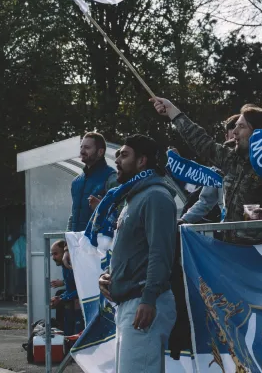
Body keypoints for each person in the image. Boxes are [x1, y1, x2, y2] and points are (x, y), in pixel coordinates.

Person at [98, 134, 177, 373]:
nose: (117, 159)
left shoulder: (155, 196)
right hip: (130, 303)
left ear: (142, 161)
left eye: (124, 154)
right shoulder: (134, 196)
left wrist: (149, 298)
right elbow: (133, 250)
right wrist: (110, 275)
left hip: (143, 303)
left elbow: (160, 253)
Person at [152, 97, 262, 243]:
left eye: (242, 127)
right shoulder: (230, 158)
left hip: (261, 252)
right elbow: (201, 141)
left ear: (258, 132)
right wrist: (172, 111)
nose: (234, 131)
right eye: (235, 126)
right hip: (228, 246)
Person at [178, 114, 239, 225]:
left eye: (238, 140)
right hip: (228, 232)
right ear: (226, 138)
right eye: (233, 140)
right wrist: (184, 219)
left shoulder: (258, 162)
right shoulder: (218, 166)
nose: (235, 145)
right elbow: (205, 201)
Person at [68, 132, 117, 232]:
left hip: (99, 244)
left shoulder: (111, 177)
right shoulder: (76, 182)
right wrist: (68, 240)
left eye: (87, 148)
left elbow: (120, 215)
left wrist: (101, 208)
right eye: (81, 147)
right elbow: (74, 215)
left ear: (100, 152)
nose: (81, 151)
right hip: (77, 243)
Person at [49, 240, 83, 336]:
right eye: (52, 254)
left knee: (75, 332)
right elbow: (70, 290)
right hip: (73, 304)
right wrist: (59, 297)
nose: (53, 258)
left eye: (55, 254)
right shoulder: (65, 266)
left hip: (80, 306)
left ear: (65, 253)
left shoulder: (74, 265)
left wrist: (61, 298)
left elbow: (81, 290)